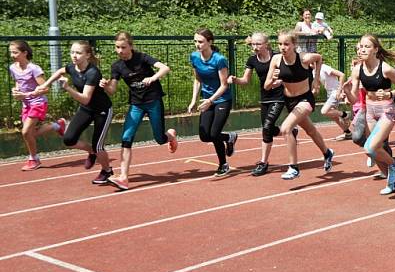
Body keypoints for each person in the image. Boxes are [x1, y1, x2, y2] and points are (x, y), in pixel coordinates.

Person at [99, 32, 178, 190]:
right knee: (126, 138)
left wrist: (153, 78)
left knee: (159, 139)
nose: (120, 51)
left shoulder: (142, 58)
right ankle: (124, 178)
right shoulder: (117, 66)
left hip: (153, 101)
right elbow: (112, 90)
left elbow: (165, 68)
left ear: (131, 46)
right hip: (136, 104)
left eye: (123, 47)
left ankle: (170, 135)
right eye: (117, 47)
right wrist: (105, 85)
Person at [37, 41, 115, 184]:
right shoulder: (72, 67)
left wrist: (67, 87)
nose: (74, 56)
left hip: (102, 110)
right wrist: (45, 84)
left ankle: (107, 171)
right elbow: (60, 71)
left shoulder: (93, 73)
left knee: (98, 145)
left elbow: (85, 99)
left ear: (87, 55)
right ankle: (91, 152)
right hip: (87, 109)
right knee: (69, 139)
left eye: (78, 53)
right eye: (72, 52)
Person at [263, 30, 335, 179]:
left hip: (305, 99)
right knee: (311, 130)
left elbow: (319, 58)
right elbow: (266, 86)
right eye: (280, 44)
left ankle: (293, 167)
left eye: (286, 44)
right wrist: (273, 80)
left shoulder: (304, 58)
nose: (283, 47)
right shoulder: (276, 60)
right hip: (289, 101)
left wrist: (315, 80)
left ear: (294, 45)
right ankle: (327, 153)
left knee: (286, 128)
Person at [347, 34, 395, 194]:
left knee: (370, 148)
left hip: (386, 110)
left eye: (366, 47)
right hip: (370, 111)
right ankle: (392, 181)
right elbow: (354, 99)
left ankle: (393, 163)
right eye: (361, 46)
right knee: (376, 148)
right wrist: (346, 90)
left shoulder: (385, 68)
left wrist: (390, 94)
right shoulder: (357, 69)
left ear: (375, 50)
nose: (362, 50)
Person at [227, 32, 285, 176]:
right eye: (253, 44)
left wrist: (280, 82)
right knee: (268, 128)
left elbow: (290, 73)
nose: (255, 47)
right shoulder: (252, 60)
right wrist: (235, 80)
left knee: (266, 128)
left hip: (279, 96)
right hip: (265, 97)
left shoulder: (277, 56)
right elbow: (245, 80)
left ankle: (263, 163)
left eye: (258, 44)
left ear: (266, 44)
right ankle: (289, 130)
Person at [8, 40, 66, 171]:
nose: (12, 55)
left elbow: (45, 89)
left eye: (15, 52)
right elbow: (18, 82)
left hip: (38, 102)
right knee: (30, 133)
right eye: (11, 52)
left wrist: (26, 94)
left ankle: (34, 159)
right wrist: (15, 90)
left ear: (25, 53)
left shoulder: (34, 69)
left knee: (26, 131)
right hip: (26, 104)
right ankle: (57, 125)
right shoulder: (13, 67)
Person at [188, 28, 239, 177]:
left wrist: (211, 100)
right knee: (204, 136)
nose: (197, 44)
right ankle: (230, 137)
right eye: (195, 41)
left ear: (210, 42)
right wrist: (193, 100)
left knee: (214, 133)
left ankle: (223, 164)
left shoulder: (219, 59)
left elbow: (224, 85)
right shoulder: (194, 57)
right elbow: (197, 79)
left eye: (201, 41)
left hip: (222, 99)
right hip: (206, 100)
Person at [316, 62, 351, 140]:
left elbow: (342, 75)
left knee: (324, 111)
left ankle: (345, 115)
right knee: (334, 116)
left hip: (335, 92)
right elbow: (317, 85)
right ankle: (348, 132)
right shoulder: (314, 71)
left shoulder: (324, 67)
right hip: (329, 94)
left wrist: (339, 91)